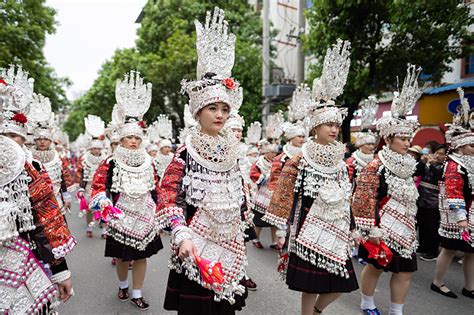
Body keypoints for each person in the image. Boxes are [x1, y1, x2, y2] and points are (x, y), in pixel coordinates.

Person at [159, 7, 250, 314]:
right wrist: (180, 232)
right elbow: (169, 196)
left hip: (229, 242)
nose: (220, 115)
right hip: (195, 243)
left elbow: (238, 196)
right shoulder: (185, 152)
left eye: (225, 109)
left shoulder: (233, 152)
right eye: (213, 109)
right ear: (198, 112)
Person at [263, 39, 358, 315]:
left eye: (336, 125)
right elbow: (283, 195)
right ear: (315, 127)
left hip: (336, 227)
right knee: (311, 284)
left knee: (341, 283)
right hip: (306, 227)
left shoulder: (342, 161)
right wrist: (282, 230)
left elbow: (345, 194)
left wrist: (352, 227)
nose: (334, 129)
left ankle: (316, 312)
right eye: (329, 124)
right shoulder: (299, 159)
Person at [0, 64, 76, 311]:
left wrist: (60, 269)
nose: (8, 144)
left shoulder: (29, 170)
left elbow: (45, 218)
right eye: (4, 135)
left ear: (24, 138)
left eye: (14, 137)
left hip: (21, 257)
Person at [352, 64, 423, 315]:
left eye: (408, 139)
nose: (407, 143)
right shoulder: (376, 165)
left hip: (405, 228)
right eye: (402, 139)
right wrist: (371, 229)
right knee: (376, 267)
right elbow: (363, 199)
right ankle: (367, 303)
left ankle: (396, 310)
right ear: (389, 138)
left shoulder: (411, 165)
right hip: (381, 227)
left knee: (405, 272)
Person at [90, 70, 163, 310]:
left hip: (144, 214)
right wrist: (103, 203)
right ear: (121, 140)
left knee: (141, 256)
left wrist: (158, 210)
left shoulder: (148, 161)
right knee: (122, 257)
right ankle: (123, 285)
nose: (133, 141)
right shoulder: (110, 161)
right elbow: (99, 186)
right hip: (120, 216)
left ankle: (137, 292)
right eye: (129, 138)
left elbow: (156, 188)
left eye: (136, 138)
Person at [431, 88, 474, 299]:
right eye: (472, 145)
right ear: (461, 146)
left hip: (470, 214)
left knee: (471, 251)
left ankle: (469, 286)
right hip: (455, 214)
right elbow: (454, 193)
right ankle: (437, 282)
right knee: (449, 249)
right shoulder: (454, 165)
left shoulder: (470, 162)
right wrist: (461, 219)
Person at [29, 93, 76, 216]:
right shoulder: (28, 157)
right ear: (35, 140)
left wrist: (66, 196)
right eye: (39, 139)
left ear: (50, 141)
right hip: (35, 203)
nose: (42, 141)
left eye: (45, 139)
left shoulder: (56, 156)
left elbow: (62, 178)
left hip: (56, 200)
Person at [75, 115, 107, 237]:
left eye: (98, 149)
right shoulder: (85, 159)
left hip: (102, 188)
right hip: (89, 186)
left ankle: (104, 228)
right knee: (89, 208)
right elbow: (83, 174)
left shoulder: (105, 159)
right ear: (90, 149)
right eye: (94, 149)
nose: (96, 151)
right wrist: (81, 188)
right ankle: (89, 227)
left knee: (104, 207)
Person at [416, 144, 447, 261]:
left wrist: (432, 164)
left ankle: (433, 251)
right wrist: (422, 162)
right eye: (437, 153)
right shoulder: (428, 164)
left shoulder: (445, 167)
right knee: (422, 224)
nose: (438, 156)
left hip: (434, 201)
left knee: (432, 226)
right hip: (422, 198)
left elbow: (439, 177)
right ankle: (423, 247)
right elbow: (417, 173)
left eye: (441, 154)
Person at [346, 96, 378, 183]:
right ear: (360, 145)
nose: (371, 147)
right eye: (368, 144)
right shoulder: (352, 161)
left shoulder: (377, 160)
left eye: (372, 144)